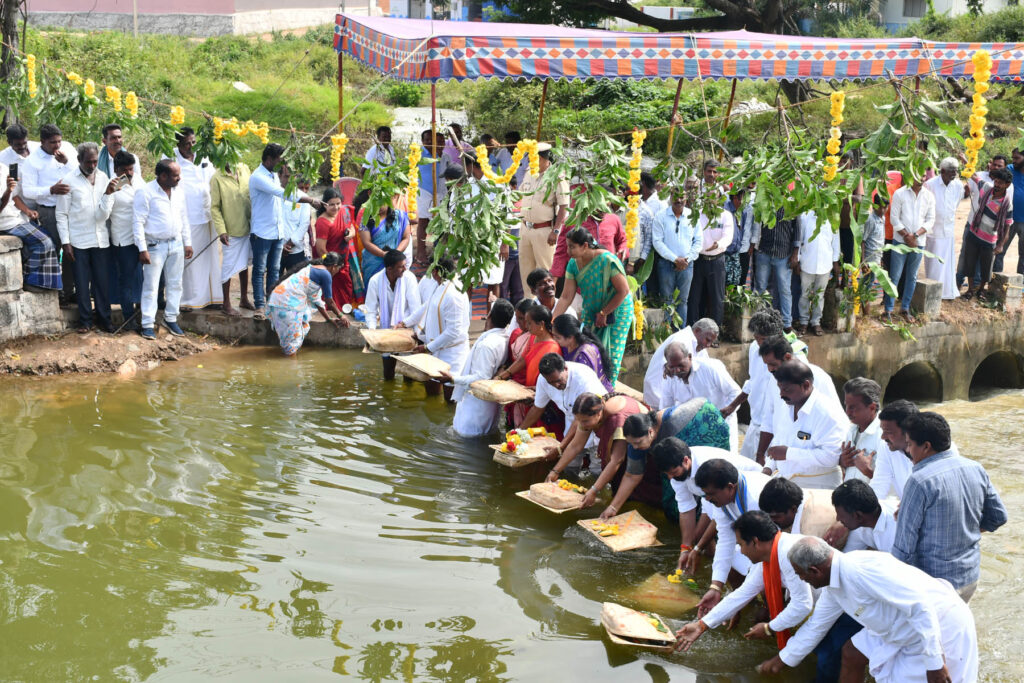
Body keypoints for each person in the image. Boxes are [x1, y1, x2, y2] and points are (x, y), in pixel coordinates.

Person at [761, 538, 978, 683]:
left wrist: (935, 663)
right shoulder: (833, 586)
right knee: (852, 652)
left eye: (800, 574)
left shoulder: (861, 572)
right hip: (898, 624)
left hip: (939, 622)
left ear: (815, 570)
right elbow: (816, 626)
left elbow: (921, 608)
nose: (800, 579)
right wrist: (783, 659)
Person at [674, 513, 815, 672]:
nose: (740, 551)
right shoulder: (767, 559)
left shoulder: (789, 553)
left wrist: (769, 627)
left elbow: (803, 605)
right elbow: (741, 594)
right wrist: (701, 625)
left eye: (741, 544)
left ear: (755, 542)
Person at [892, 411, 1007, 602]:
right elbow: (998, 517)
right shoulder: (975, 467)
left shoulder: (919, 481)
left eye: (910, 444)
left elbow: (904, 548)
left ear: (926, 446)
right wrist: (963, 532)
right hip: (969, 576)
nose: (908, 451)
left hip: (935, 584)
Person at [649, 436, 760, 564]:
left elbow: (719, 513)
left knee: (738, 546)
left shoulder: (707, 467)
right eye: (667, 474)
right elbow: (686, 508)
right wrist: (685, 549)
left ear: (686, 460)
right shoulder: (677, 475)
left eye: (673, 472)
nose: (670, 478)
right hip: (715, 500)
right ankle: (710, 564)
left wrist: (697, 547)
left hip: (744, 494)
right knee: (700, 539)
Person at [690, 458, 773, 617]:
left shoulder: (756, 499)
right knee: (731, 558)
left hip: (777, 547)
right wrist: (715, 587)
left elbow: (766, 549)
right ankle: (754, 602)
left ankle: (772, 609)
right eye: (705, 494)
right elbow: (725, 541)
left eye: (710, 494)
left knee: (763, 579)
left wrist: (735, 602)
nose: (707, 499)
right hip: (757, 544)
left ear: (730, 487)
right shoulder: (722, 500)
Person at [249, 143, 321, 321]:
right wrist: (310, 200)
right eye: (280, 160)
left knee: (274, 270)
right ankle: (259, 306)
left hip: (277, 231)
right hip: (262, 231)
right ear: (270, 159)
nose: (282, 164)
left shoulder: (274, 175)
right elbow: (283, 193)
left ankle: (271, 303)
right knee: (260, 270)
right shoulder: (259, 177)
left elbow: (289, 190)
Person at [553, 227, 633, 383]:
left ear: (585, 246)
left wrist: (604, 313)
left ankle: (609, 389)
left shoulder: (607, 260)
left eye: (572, 247)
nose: (568, 251)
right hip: (593, 309)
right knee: (589, 349)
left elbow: (623, 291)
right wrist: (553, 320)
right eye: (567, 246)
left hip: (617, 309)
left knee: (611, 355)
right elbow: (566, 296)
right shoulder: (572, 264)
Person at [56, 142, 118, 334]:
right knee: (82, 283)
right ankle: (85, 321)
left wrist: (108, 195)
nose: (92, 166)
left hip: (101, 240)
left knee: (102, 283)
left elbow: (103, 215)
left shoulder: (104, 178)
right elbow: (61, 214)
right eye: (88, 162)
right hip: (78, 241)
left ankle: (104, 319)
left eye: (94, 162)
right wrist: (66, 243)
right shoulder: (68, 180)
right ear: (79, 160)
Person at [543, 392, 647, 506]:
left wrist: (593, 490)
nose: (582, 424)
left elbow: (616, 460)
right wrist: (555, 471)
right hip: (624, 448)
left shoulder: (618, 421)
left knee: (635, 490)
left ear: (599, 414)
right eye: (579, 420)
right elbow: (575, 446)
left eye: (585, 421)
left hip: (642, 446)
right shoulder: (589, 416)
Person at [753, 334, 841, 464]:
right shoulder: (773, 378)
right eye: (767, 365)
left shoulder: (820, 378)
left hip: (815, 467)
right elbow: (769, 419)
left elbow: (835, 422)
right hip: (781, 462)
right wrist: (761, 455)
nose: (769, 369)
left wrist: (790, 453)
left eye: (772, 364)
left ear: (787, 357)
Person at [764, 359, 849, 489]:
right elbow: (779, 442)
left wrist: (788, 453)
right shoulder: (787, 404)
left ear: (806, 385)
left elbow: (831, 457)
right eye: (779, 388)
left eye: (786, 389)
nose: (781, 394)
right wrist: (768, 468)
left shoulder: (826, 412)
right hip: (785, 482)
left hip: (818, 487)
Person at [133, 160, 193, 340]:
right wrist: (142, 249)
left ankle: (171, 318)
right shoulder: (145, 192)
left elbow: (184, 218)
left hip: (176, 244)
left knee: (175, 283)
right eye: (176, 176)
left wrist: (187, 242)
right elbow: (138, 222)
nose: (179, 179)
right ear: (163, 176)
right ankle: (147, 324)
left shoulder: (179, 192)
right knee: (151, 286)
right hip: (154, 246)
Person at [440, 299, 514, 438]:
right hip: (489, 404)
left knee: (467, 440)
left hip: (476, 406)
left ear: (489, 315)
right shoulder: (504, 337)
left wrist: (453, 379)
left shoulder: (487, 344)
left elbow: (481, 378)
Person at [720, 308, 784, 461]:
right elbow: (752, 381)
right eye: (755, 338)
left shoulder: (792, 358)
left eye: (761, 339)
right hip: (754, 423)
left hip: (776, 431)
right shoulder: (755, 348)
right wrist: (733, 405)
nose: (758, 343)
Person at [21, 124, 75, 302]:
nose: (57, 146)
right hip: (49, 210)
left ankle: (70, 290)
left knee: (73, 249)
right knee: (55, 249)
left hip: (72, 208)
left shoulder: (66, 149)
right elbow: (28, 191)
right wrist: (51, 190)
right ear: (42, 141)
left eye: (59, 141)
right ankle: (57, 292)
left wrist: (67, 162)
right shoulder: (32, 161)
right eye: (53, 143)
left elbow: (79, 171)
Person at [405, 258, 472, 397]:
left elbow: (454, 331)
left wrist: (428, 347)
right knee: (431, 394)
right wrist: (406, 323)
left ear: (435, 272)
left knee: (451, 399)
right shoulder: (440, 285)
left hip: (451, 353)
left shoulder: (454, 294)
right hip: (435, 348)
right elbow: (427, 305)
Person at [660, 341, 741, 451]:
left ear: (689, 357)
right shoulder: (669, 376)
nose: (677, 370)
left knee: (725, 463)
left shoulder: (711, 368)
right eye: (672, 367)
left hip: (721, 425)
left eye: (680, 365)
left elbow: (735, 392)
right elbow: (666, 409)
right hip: (692, 432)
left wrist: (723, 413)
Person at [170, 127, 219, 310]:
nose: (191, 146)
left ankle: (213, 297)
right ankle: (190, 299)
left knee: (210, 256)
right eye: (186, 143)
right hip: (187, 216)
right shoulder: (171, 158)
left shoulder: (202, 156)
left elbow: (213, 177)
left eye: (193, 142)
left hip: (207, 214)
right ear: (178, 144)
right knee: (190, 259)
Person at [267, 252, 348, 356]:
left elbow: (316, 300)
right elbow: (329, 302)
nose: (337, 272)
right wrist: (341, 315)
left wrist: (328, 319)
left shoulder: (313, 268)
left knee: (299, 331)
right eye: (338, 269)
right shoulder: (325, 274)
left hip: (277, 301)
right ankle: (291, 367)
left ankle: (289, 361)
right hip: (287, 305)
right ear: (334, 267)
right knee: (291, 346)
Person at [518, 353, 607, 445]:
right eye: (551, 382)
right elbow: (537, 408)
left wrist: (562, 446)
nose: (556, 385)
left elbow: (579, 419)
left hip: (595, 429)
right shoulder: (543, 379)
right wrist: (518, 432)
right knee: (571, 454)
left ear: (565, 368)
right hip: (572, 429)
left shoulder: (583, 379)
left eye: (558, 380)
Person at [0, 162, 61, 293]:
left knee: (48, 237)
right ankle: (31, 281)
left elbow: (14, 196)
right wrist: (8, 191)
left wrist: (27, 210)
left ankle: (41, 281)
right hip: (5, 223)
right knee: (44, 242)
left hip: (16, 218)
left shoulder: (3, 168)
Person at [517, 142, 568, 295]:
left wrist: (556, 230)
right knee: (526, 271)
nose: (530, 161)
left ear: (543, 158)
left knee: (545, 272)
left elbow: (564, 206)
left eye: (534, 157)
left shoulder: (557, 176)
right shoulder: (528, 173)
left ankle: (546, 306)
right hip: (525, 228)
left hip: (544, 230)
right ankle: (529, 307)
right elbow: (520, 196)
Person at [364, 249, 422, 380]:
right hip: (386, 329)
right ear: (389, 269)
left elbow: (416, 309)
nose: (405, 269)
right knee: (388, 371)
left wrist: (411, 328)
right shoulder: (375, 281)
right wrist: (372, 332)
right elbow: (370, 310)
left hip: (406, 328)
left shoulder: (409, 278)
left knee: (409, 372)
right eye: (401, 267)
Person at [885, 174, 935, 322]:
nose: (922, 178)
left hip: (919, 242)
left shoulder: (929, 196)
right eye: (918, 174)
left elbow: (931, 220)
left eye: (924, 175)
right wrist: (907, 236)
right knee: (894, 276)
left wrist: (916, 236)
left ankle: (905, 308)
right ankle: (888, 309)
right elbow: (894, 218)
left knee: (912, 277)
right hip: (900, 241)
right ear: (911, 175)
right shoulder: (900, 193)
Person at [652, 180, 701, 325]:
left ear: (687, 198)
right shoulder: (661, 216)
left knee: (683, 301)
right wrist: (675, 259)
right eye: (675, 196)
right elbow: (657, 242)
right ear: (670, 196)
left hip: (687, 265)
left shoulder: (693, 216)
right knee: (667, 300)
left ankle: (679, 335)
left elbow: (698, 241)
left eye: (682, 197)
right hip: (666, 265)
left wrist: (686, 259)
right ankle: (667, 336)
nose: (678, 200)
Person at [642, 318, 718, 408]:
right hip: (659, 396)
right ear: (697, 331)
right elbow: (672, 374)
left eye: (711, 342)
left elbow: (705, 372)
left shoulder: (698, 345)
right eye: (708, 340)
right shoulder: (681, 340)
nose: (708, 345)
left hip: (672, 399)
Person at [962, 167, 1013, 300]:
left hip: (990, 240)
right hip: (974, 233)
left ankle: (981, 290)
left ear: (1007, 185)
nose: (997, 185)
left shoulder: (1007, 204)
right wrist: (967, 160)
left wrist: (1001, 245)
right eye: (996, 181)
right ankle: (970, 290)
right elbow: (973, 175)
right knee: (970, 263)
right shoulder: (986, 188)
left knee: (986, 268)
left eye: (1000, 183)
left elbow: (1007, 226)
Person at [210, 158, 252, 317]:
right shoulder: (216, 178)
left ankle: (243, 298)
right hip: (231, 229)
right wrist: (221, 230)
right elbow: (215, 208)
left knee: (244, 264)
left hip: (249, 225)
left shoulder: (244, 168)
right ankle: (226, 303)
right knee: (228, 266)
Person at [107, 151, 143, 329]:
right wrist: (110, 192)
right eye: (124, 170)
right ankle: (128, 319)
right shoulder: (111, 188)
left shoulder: (139, 183)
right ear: (115, 169)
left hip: (142, 239)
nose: (128, 173)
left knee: (145, 278)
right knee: (126, 281)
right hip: (123, 240)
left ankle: (143, 313)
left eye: (131, 169)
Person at [687, 195, 734, 325]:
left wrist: (718, 244)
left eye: (713, 197)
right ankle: (692, 329)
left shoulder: (726, 215)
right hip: (699, 259)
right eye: (707, 197)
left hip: (717, 260)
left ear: (718, 199)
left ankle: (715, 333)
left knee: (717, 298)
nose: (710, 199)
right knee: (694, 297)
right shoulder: (697, 214)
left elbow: (728, 237)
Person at [924, 158, 965, 300]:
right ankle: (934, 293)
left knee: (948, 264)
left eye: (955, 172)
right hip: (933, 232)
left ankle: (947, 292)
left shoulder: (958, 185)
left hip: (948, 231)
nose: (954, 175)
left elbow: (957, 203)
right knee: (934, 264)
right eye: (951, 173)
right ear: (942, 171)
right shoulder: (930, 185)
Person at [753, 211, 801, 332]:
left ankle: (787, 324)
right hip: (764, 251)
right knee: (760, 288)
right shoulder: (767, 201)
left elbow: (797, 230)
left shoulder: (791, 205)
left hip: (783, 254)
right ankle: (760, 320)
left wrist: (795, 253)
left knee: (784, 290)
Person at [795, 209, 840, 336]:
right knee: (805, 294)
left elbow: (836, 243)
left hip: (825, 263)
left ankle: (816, 322)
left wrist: (835, 262)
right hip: (807, 262)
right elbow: (799, 240)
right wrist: (797, 259)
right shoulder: (805, 216)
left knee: (819, 296)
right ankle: (803, 321)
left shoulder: (832, 218)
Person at [495, 304, 560, 388]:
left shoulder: (552, 348)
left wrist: (536, 391)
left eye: (529, 323)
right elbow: (522, 360)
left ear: (541, 324)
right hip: (529, 388)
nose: (526, 326)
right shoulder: (533, 336)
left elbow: (552, 379)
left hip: (540, 393)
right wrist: (501, 376)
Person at [552, 211, 627, 281]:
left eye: (606, 202)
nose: (602, 208)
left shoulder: (613, 219)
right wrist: (554, 280)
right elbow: (561, 253)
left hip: (608, 277)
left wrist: (622, 249)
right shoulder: (573, 220)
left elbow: (622, 241)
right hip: (581, 279)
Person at [758, 477, 840, 539]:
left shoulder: (811, 529)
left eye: (776, 517)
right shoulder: (796, 496)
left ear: (793, 509)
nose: (772, 521)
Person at [313, 188, 356, 305]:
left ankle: (343, 311)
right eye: (331, 204)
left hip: (343, 262)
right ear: (324, 205)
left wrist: (351, 234)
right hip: (331, 265)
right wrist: (332, 267)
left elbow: (351, 227)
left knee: (345, 289)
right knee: (329, 292)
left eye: (338, 204)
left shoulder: (343, 212)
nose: (336, 207)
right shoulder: (323, 222)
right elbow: (320, 248)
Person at [832, 479, 898, 553]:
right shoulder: (859, 526)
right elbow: (848, 558)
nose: (837, 519)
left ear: (858, 516)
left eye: (841, 515)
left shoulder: (896, 532)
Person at [551, 313, 613, 391]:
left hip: (597, 394)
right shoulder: (566, 346)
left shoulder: (584, 355)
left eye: (557, 337)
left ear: (570, 337)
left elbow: (583, 385)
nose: (554, 340)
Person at [840, 377, 884, 483]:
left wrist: (868, 471)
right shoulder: (850, 430)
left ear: (872, 407)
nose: (847, 412)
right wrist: (842, 462)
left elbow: (896, 484)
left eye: (853, 407)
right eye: (846, 406)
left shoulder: (885, 436)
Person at [872, 399, 918, 500]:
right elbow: (878, 486)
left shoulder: (935, 450)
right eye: (882, 431)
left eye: (888, 432)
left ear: (908, 432)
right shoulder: (886, 447)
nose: (883, 437)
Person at [359, 193, 411, 283]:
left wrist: (395, 254)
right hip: (373, 263)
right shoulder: (366, 218)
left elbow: (406, 238)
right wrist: (383, 254)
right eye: (375, 203)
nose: (378, 206)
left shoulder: (400, 216)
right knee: (374, 290)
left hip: (395, 262)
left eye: (381, 203)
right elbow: (366, 242)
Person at [415, 129, 449, 264]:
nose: (432, 143)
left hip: (441, 192)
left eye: (440, 141)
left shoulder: (446, 157)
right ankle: (421, 253)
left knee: (441, 223)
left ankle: (439, 253)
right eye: (427, 140)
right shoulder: (418, 155)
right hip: (424, 192)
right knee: (423, 222)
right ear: (423, 141)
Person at [993, 148, 1024, 275]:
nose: (1013, 161)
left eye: (1017, 158)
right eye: (1013, 158)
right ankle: (995, 282)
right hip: (1008, 219)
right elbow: (993, 173)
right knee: (999, 250)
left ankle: (1020, 285)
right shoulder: (1009, 169)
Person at [280, 170, 314, 273]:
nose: (303, 191)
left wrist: (290, 244)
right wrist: (281, 246)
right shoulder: (282, 196)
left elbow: (304, 224)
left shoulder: (306, 201)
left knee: (297, 282)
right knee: (275, 281)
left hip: (296, 249)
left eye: (306, 188)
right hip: (278, 247)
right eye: (301, 188)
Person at [858, 194, 886, 315]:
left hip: (877, 258)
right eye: (881, 207)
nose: (883, 210)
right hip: (869, 259)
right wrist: (863, 261)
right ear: (874, 206)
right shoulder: (870, 220)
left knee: (869, 283)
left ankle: (864, 312)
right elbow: (863, 241)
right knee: (867, 286)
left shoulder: (882, 219)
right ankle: (866, 315)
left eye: (885, 208)